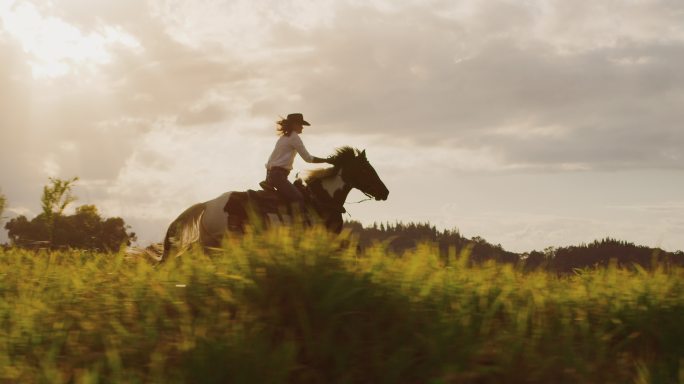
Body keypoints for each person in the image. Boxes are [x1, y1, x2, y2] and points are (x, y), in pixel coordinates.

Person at [261, 113, 330, 205]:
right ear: (294, 125)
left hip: (271, 175)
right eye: (300, 124)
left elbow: (271, 160)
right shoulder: (294, 137)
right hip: (278, 176)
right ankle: (298, 219)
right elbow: (308, 159)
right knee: (298, 198)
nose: (302, 127)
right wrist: (327, 160)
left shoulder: (283, 138)